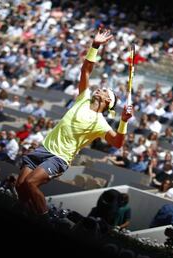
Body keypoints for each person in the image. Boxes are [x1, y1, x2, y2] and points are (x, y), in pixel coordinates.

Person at [16, 29, 133, 216]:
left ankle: (46, 220)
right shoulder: (83, 98)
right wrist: (95, 46)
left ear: (107, 101)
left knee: (31, 183)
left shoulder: (100, 123)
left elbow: (117, 143)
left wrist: (124, 121)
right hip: (44, 148)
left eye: (104, 90)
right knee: (20, 185)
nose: (99, 89)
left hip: (60, 158)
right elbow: (85, 69)